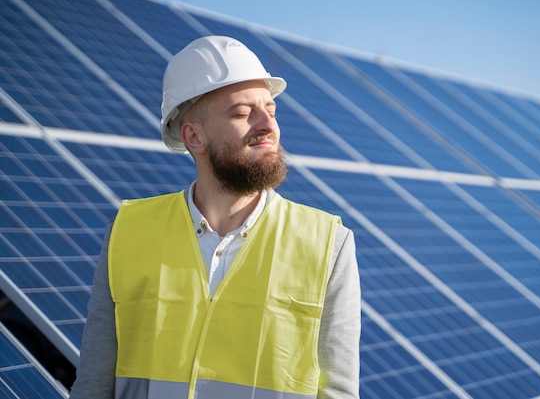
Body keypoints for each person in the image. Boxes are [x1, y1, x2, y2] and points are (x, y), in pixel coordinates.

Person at [69, 35, 361, 399]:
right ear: (194, 136)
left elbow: (337, 392)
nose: (268, 125)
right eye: (242, 112)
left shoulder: (327, 243)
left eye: (271, 110)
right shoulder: (129, 230)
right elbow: (94, 384)